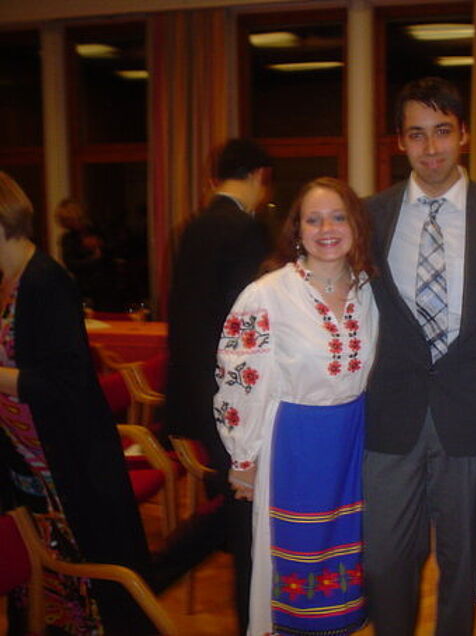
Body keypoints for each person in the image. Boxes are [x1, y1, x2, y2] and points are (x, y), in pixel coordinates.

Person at [363, 77, 476, 635]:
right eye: (417, 135)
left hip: (470, 414)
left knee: (462, 564)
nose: (431, 148)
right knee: (383, 560)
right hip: (390, 414)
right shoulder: (370, 215)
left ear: (464, 134)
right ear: (400, 142)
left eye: (443, 131)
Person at [214, 177, 377, 636]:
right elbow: (237, 379)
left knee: (349, 567)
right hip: (295, 445)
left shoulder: (369, 291)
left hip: (354, 445)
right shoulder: (266, 295)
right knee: (295, 565)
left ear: (356, 225)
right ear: (297, 229)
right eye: (314, 218)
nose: (327, 228)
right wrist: (242, 456)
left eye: (338, 216)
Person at [0, 172, 152, 633]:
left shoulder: (46, 281)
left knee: (92, 597)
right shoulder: (10, 281)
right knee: (45, 588)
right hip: (34, 465)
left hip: (69, 465)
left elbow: (63, 387)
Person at [163, 138, 273, 630]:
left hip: (193, 390)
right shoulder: (244, 231)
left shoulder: (193, 227)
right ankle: (249, 616)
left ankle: (149, 574)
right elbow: (246, 326)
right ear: (258, 175)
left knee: (235, 507)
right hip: (229, 398)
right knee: (244, 512)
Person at [54, 197, 117, 310]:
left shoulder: (99, 230)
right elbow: (71, 264)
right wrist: (94, 259)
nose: (68, 223)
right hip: (85, 287)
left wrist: (100, 245)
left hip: (109, 286)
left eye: (69, 219)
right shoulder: (68, 239)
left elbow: (115, 251)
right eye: (64, 220)